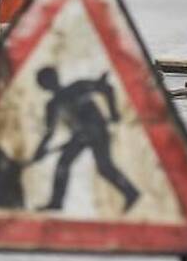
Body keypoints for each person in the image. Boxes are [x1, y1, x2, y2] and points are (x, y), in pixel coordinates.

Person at [30, 67, 140, 213]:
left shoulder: (78, 87)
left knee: (104, 167)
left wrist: (114, 112)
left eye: (50, 79)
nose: (50, 84)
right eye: (45, 82)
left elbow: (107, 88)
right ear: (42, 86)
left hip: (97, 131)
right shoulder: (52, 105)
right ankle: (56, 202)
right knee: (63, 164)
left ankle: (131, 193)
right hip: (79, 137)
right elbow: (49, 132)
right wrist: (40, 150)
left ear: (56, 77)